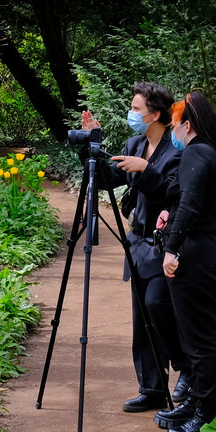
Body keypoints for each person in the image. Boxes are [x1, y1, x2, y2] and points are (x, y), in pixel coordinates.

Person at [82, 81, 188, 413]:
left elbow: (172, 194)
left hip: (165, 243)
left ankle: (185, 365)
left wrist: (147, 171)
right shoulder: (135, 143)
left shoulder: (178, 151)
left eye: (136, 108)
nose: (131, 113)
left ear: (155, 114)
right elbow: (105, 178)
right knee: (142, 319)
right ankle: (152, 388)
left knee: (159, 306)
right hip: (138, 244)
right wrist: (92, 148)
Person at [157, 91, 216, 432]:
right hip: (206, 250)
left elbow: (189, 206)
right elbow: (189, 205)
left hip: (198, 255)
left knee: (200, 340)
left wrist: (171, 249)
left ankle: (205, 410)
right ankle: (194, 401)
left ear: (187, 125)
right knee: (192, 335)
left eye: (173, 124)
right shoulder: (210, 153)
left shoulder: (194, 152)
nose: (171, 129)